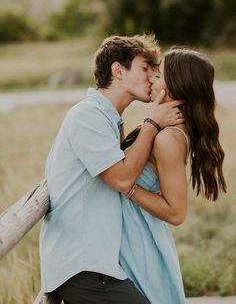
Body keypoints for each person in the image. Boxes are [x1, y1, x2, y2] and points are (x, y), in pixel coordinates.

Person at [39, 35, 183, 304]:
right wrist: (152, 122)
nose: (152, 77)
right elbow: (121, 178)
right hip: (82, 265)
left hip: (101, 264)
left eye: (154, 70)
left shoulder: (110, 119)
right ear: (118, 71)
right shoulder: (88, 115)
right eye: (145, 68)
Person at [119, 48, 227, 304]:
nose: (153, 77)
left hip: (139, 239)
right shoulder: (163, 128)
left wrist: (127, 187)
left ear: (178, 85)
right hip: (130, 233)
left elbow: (177, 213)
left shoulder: (168, 138)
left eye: (160, 73)